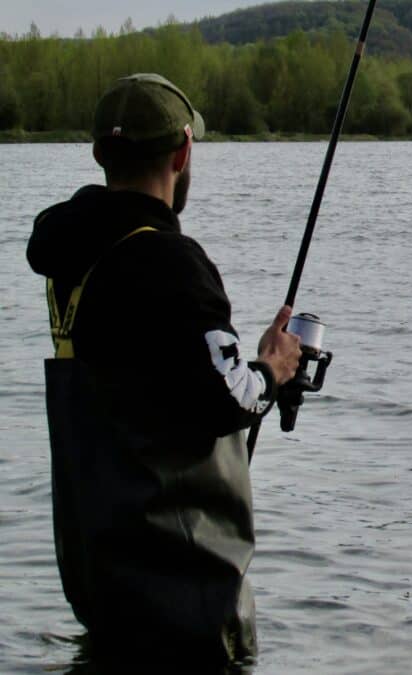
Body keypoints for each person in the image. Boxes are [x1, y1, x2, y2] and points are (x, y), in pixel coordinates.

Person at [25, 73, 301, 667]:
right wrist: (273, 367)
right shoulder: (170, 262)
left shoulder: (69, 256)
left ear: (101, 154)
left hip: (101, 579)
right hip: (181, 597)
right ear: (182, 152)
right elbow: (231, 398)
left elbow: (152, 386)